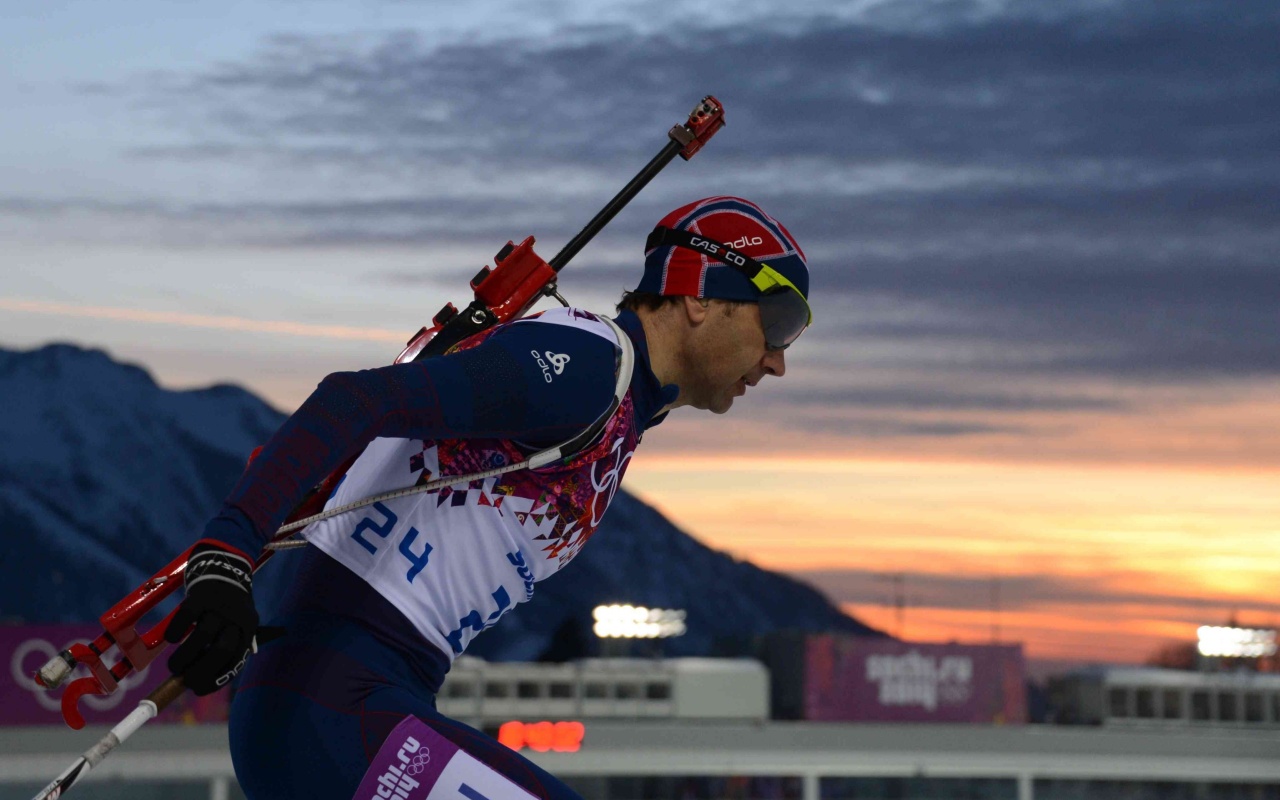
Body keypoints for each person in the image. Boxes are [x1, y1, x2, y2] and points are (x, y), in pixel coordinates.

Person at [163, 196, 812, 799]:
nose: (779, 360)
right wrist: (224, 558)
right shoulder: (587, 365)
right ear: (699, 296)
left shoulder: (621, 408)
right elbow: (354, 400)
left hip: (353, 703)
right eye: (778, 320)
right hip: (330, 704)